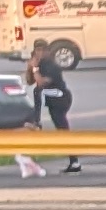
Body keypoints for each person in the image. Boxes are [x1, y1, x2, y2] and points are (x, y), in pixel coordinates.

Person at [23, 40, 78, 170]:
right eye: (38, 50)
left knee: (63, 129)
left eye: (43, 50)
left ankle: (75, 161)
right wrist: (30, 68)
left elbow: (41, 82)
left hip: (60, 97)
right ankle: (74, 161)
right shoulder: (40, 64)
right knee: (37, 91)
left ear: (48, 51)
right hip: (51, 98)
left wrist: (35, 68)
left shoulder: (52, 66)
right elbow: (30, 81)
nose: (40, 53)